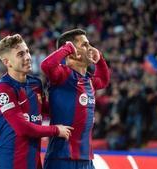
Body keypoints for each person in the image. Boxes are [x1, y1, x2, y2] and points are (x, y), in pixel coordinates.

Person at [0, 34, 73, 169]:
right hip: (8, 163)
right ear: (7, 62)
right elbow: (23, 128)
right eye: (20, 54)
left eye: (27, 52)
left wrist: (77, 107)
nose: (28, 57)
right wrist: (56, 130)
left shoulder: (35, 83)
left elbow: (48, 109)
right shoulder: (3, 89)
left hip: (33, 163)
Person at [41, 29, 110, 169]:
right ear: (72, 51)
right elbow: (46, 65)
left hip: (86, 159)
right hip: (62, 158)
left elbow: (103, 80)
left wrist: (100, 59)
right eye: (85, 45)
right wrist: (67, 48)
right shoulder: (63, 74)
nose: (90, 48)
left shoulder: (88, 80)